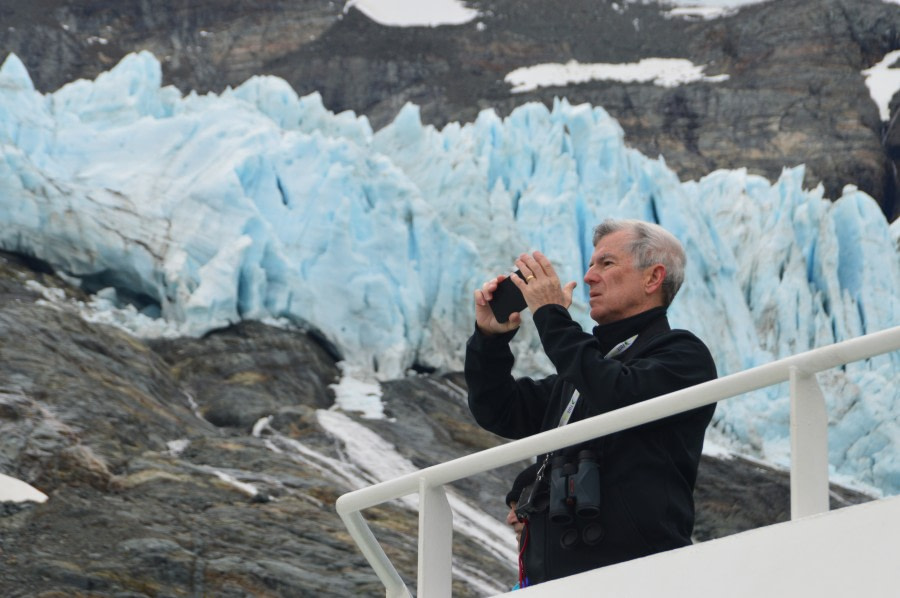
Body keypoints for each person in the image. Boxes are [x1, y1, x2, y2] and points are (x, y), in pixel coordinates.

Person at [466, 218, 718, 586]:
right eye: (589, 265)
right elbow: (497, 409)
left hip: (637, 578)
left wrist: (551, 315)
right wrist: (490, 339)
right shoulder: (582, 375)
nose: (589, 278)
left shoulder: (682, 355)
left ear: (653, 278)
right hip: (553, 581)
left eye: (606, 264)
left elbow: (617, 395)